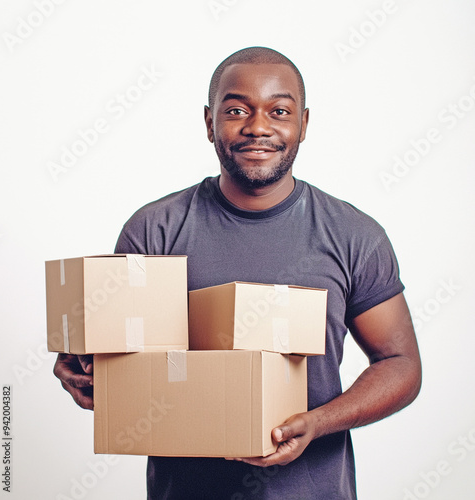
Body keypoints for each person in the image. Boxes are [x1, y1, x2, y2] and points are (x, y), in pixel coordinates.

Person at [53, 46, 422, 499]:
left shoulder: (353, 236)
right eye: (236, 110)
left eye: (279, 110)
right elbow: (122, 359)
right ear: (209, 123)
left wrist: (318, 423)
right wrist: (87, 369)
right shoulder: (155, 229)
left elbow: (401, 365)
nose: (258, 127)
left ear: (304, 123)